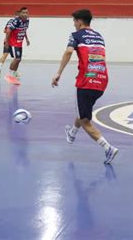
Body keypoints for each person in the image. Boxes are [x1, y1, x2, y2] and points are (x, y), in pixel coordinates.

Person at [51, 9, 119, 164]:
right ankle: (72, 133)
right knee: (83, 111)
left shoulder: (76, 35)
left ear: (79, 21)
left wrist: (58, 73)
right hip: (101, 81)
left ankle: (108, 148)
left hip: (86, 81)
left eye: (74, 21)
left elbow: (68, 52)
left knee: (85, 120)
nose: (74, 24)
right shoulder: (99, 36)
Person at [4, 7, 30, 85]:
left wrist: (27, 39)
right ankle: (9, 75)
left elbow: (24, 29)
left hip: (19, 42)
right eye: (23, 13)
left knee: (19, 59)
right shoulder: (16, 21)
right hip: (13, 42)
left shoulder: (27, 21)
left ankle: (14, 74)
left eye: (26, 13)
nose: (25, 14)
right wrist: (7, 42)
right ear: (20, 13)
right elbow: (8, 31)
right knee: (17, 59)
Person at [0, 10, 20, 79]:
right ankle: (12, 73)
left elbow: (4, 30)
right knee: (17, 58)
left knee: (5, 54)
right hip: (13, 42)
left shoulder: (10, 20)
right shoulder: (18, 21)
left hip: (6, 41)